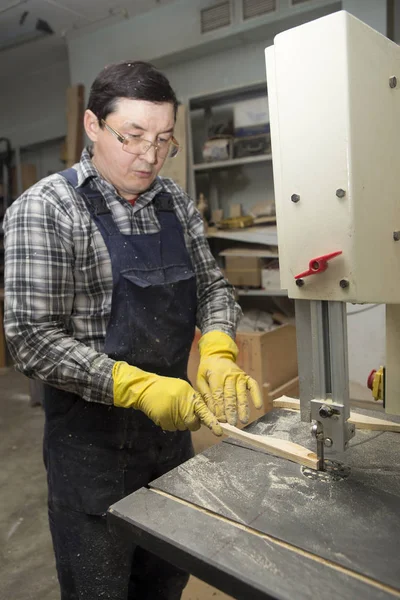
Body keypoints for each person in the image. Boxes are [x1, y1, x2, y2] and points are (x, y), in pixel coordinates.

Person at [3, 60, 262, 600]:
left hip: (170, 444)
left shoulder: (175, 204)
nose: (150, 155)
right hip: (90, 454)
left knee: (165, 582)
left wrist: (217, 347)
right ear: (94, 126)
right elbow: (31, 337)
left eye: (165, 140)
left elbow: (213, 289)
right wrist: (136, 386)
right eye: (134, 136)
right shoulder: (48, 208)